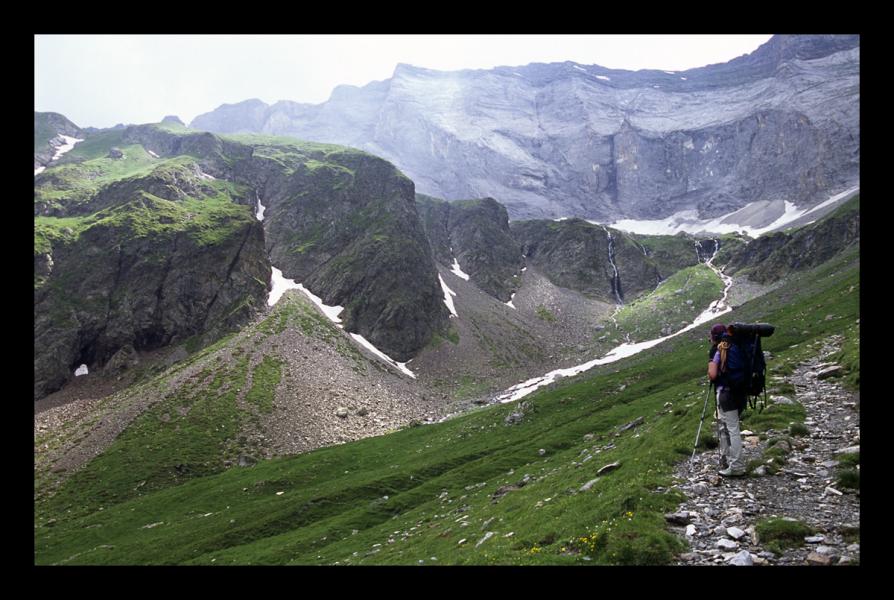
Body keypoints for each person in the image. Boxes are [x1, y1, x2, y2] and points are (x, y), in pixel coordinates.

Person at [707, 323, 747, 477]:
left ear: (714, 336)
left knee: (731, 429)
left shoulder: (718, 349)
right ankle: (728, 460)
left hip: (725, 392)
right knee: (729, 427)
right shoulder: (736, 345)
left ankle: (736, 465)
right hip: (740, 392)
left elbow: (713, 375)